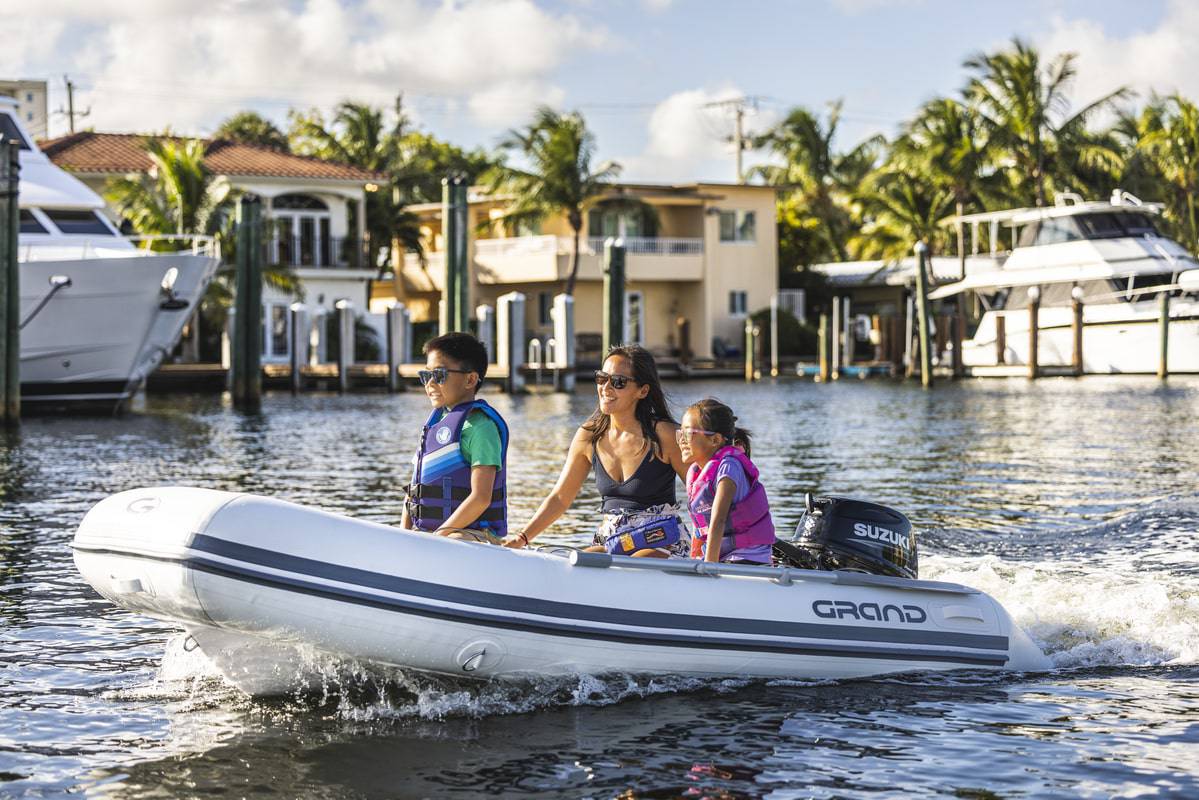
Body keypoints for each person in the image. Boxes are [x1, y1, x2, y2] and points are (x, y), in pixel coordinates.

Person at [503, 345, 689, 557]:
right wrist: (523, 537)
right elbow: (561, 497)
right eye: (602, 378)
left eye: (618, 382)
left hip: (661, 541)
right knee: (587, 558)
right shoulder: (589, 436)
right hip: (613, 541)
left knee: (639, 559)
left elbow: (701, 493)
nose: (606, 388)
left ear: (643, 391)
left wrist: (711, 552)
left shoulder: (665, 435)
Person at [401, 332, 509, 544]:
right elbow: (412, 493)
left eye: (439, 375)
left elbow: (481, 498)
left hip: (473, 535)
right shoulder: (434, 426)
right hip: (435, 536)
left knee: (457, 538)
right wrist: (403, 535)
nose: (430, 383)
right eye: (426, 375)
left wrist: (438, 538)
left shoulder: (481, 429)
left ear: (470, 379)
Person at [679, 398, 775, 564]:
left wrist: (709, 566)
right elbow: (699, 526)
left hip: (747, 557)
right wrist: (694, 560)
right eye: (680, 433)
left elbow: (718, 520)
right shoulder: (694, 473)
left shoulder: (729, 467)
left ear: (715, 440)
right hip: (722, 555)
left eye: (688, 434)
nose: (681, 440)